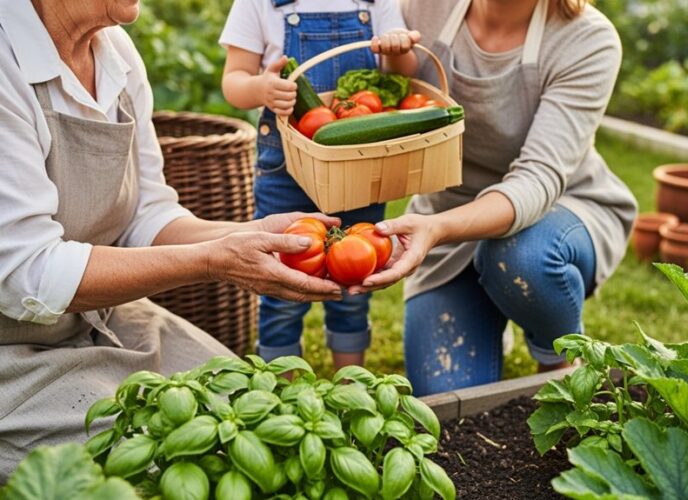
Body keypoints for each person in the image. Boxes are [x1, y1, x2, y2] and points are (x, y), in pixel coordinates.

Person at [0, 0, 343, 479]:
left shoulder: (114, 50)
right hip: (10, 356)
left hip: (100, 318)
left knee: (264, 416)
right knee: (193, 462)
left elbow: (148, 215)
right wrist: (212, 261)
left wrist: (252, 236)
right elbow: (27, 273)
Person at [352, 0, 638, 395]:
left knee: (521, 257)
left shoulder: (587, 39)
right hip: (448, 218)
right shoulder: (425, 7)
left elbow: (538, 178)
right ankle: (494, 304)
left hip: (558, 210)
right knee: (448, 400)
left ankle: (558, 354)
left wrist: (436, 229)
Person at [219, 0, 419, 369]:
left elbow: (405, 70)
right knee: (281, 278)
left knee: (357, 277)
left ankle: (350, 380)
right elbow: (234, 81)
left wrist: (396, 50)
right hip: (286, 167)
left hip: (356, 166)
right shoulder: (259, 4)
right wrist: (261, 88)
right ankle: (279, 384)